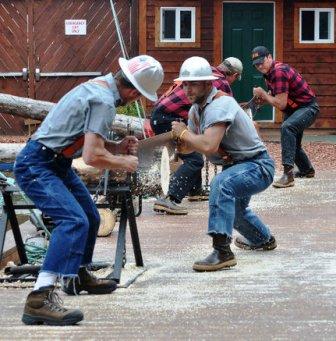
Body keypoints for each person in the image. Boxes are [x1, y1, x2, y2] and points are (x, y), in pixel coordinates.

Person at [14, 55, 164, 325]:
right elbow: (93, 156)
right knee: (72, 221)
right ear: (131, 90)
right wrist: (123, 161)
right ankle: (39, 298)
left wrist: (116, 147)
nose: (134, 101)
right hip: (37, 165)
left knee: (91, 217)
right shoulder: (105, 101)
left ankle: (76, 276)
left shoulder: (98, 87)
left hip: (56, 162)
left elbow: (85, 138)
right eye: (137, 96)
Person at [171, 56, 276, 272]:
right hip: (237, 167)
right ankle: (263, 239)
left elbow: (208, 145)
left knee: (221, 184)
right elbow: (194, 146)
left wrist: (183, 133)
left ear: (208, 84)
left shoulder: (221, 104)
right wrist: (180, 143)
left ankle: (222, 252)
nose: (188, 90)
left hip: (257, 166)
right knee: (235, 212)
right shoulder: (195, 111)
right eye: (185, 84)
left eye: (194, 84)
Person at [151, 57, 243, 215]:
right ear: (233, 75)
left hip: (160, 116)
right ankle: (170, 198)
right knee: (194, 160)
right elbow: (229, 113)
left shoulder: (203, 73)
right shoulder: (219, 82)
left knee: (195, 150)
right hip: (169, 119)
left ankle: (195, 191)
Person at [251, 46, 319, 188]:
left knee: (287, 128)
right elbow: (276, 97)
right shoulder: (269, 73)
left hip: (307, 108)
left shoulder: (278, 71)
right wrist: (262, 99)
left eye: (261, 61)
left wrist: (263, 94)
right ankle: (307, 170)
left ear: (269, 57)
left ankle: (288, 176)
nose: (259, 66)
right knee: (291, 141)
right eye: (256, 64)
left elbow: (280, 104)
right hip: (293, 108)